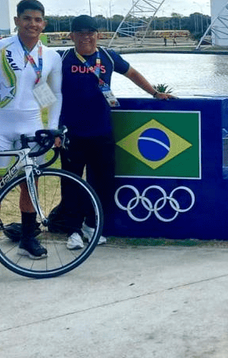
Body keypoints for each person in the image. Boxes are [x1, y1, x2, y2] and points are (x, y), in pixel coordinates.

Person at [56, 15, 173, 250]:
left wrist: (154, 93)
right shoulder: (61, 58)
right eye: (80, 32)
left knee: (103, 182)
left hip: (102, 132)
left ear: (98, 35)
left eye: (91, 32)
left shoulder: (108, 57)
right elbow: (40, 84)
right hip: (71, 134)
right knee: (72, 184)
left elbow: (133, 74)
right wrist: (51, 123)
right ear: (72, 36)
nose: (86, 37)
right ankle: (73, 230)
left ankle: (92, 225)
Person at [0, 0, 62, 268]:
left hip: (32, 126)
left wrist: (52, 126)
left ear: (44, 24)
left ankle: (28, 239)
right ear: (17, 20)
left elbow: (53, 94)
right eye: (27, 18)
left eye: (38, 19)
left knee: (30, 184)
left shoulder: (50, 56)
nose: (32, 24)